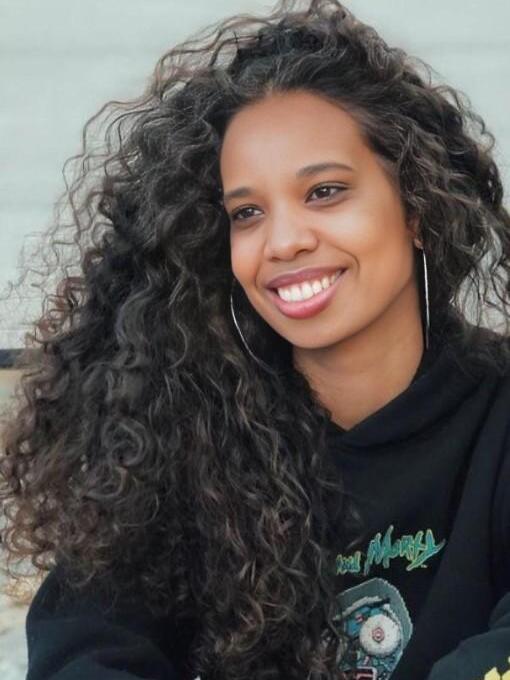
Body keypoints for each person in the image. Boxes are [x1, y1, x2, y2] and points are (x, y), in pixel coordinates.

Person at [1, 0, 509, 678]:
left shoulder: (498, 417)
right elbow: (87, 646)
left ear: (417, 206)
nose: (284, 241)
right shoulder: (175, 432)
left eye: (325, 191)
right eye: (246, 212)